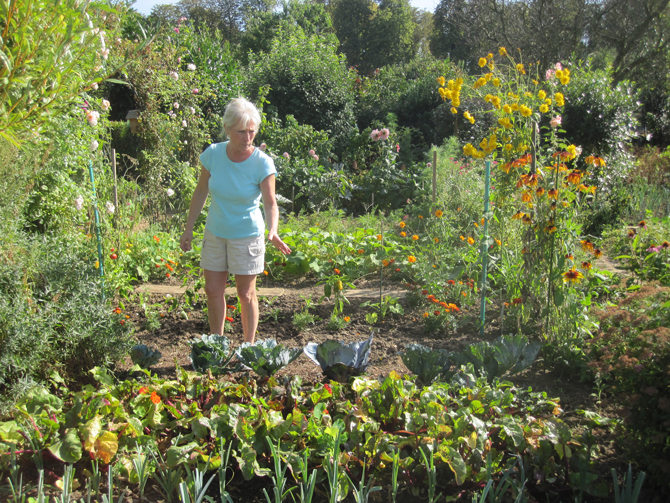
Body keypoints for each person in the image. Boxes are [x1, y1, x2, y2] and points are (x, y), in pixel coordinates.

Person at [180, 97, 291, 343]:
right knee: (212, 290)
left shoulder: (262, 163)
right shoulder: (213, 155)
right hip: (215, 233)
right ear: (228, 129)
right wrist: (188, 228)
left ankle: (248, 348)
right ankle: (216, 345)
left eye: (252, 131)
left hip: (247, 236)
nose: (247, 137)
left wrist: (272, 230)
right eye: (241, 131)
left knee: (245, 293)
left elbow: (270, 202)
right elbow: (200, 191)